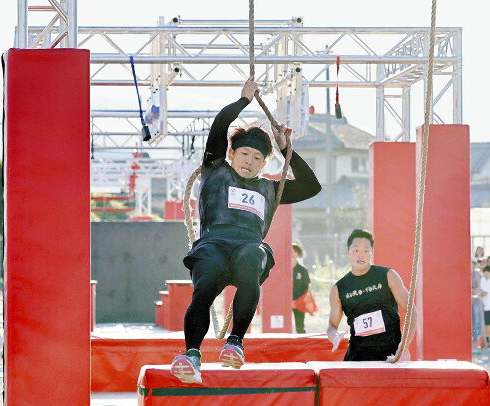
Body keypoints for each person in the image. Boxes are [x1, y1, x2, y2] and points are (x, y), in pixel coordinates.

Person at [171, 77, 322, 383]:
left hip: (247, 249)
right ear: (232, 155)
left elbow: (311, 186)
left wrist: (285, 149)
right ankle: (191, 354)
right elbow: (219, 125)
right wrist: (243, 101)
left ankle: (235, 342)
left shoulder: (270, 188)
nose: (249, 162)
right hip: (213, 244)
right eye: (244, 154)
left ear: (263, 163)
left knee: (253, 258)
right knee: (205, 287)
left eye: (257, 158)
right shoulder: (215, 169)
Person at [326, 229, 417, 361]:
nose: (360, 256)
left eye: (365, 251)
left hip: (391, 356)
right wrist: (334, 336)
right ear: (347, 252)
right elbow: (331, 326)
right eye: (356, 250)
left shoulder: (388, 276)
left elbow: (412, 312)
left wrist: (404, 346)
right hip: (357, 359)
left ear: (371, 253)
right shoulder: (339, 288)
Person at [292, 243, 310, 334]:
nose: (292, 253)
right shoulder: (282, 269)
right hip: (284, 304)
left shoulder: (303, 270)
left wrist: (296, 302)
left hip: (299, 302)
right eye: (290, 250)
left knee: (300, 328)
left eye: (295, 251)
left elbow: (305, 289)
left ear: (298, 253)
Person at [471, 259, 484, 343]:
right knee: (470, 319)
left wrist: (476, 289)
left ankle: (478, 336)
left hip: (476, 300)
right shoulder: (465, 273)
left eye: (472, 264)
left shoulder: (478, 274)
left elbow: (482, 285)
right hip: (467, 300)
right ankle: (472, 336)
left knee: (477, 319)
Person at [479, 265, 490, 344]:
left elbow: (484, 293)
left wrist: (477, 295)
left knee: (488, 324)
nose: (486, 274)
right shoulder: (483, 279)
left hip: (488, 306)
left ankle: (488, 341)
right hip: (485, 306)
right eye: (485, 272)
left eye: (488, 272)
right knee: (486, 324)